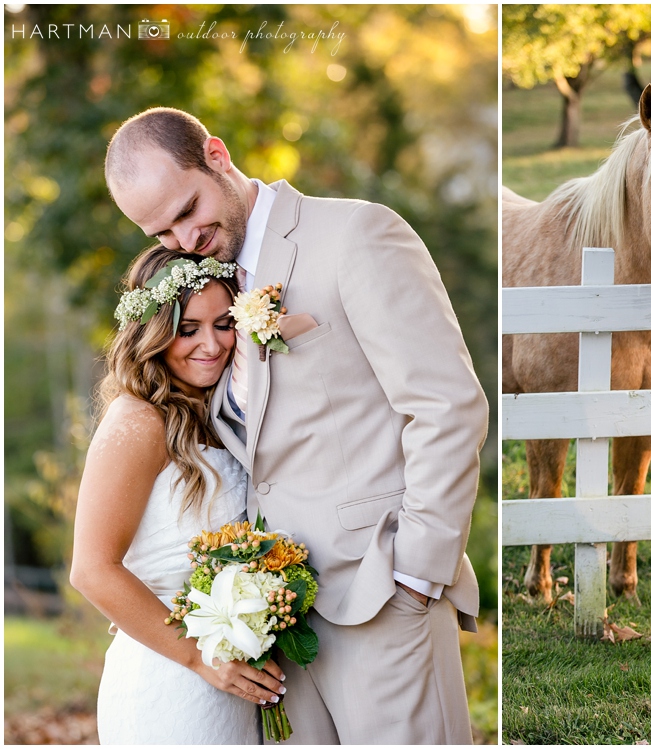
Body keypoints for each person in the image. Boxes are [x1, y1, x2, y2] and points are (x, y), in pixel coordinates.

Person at [102, 107, 489, 744]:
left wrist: (417, 573)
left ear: (218, 156)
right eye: (161, 232)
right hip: (284, 624)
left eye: (187, 209)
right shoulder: (212, 296)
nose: (184, 239)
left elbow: (447, 405)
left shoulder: (355, 234)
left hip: (382, 595)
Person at [71, 247, 287, 744]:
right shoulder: (138, 421)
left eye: (223, 323)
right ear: (154, 334)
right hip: (172, 676)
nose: (210, 344)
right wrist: (201, 657)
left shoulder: (215, 416)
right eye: (188, 329)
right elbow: (92, 569)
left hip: (231, 677)